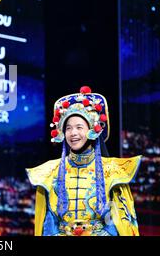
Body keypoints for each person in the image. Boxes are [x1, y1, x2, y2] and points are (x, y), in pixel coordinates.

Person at [26, 86, 141, 236]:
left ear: (92, 130)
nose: (73, 133)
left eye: (79, 127)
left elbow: (120, 222)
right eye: (68, 128)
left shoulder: (112, 172)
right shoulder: (49, 173)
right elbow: (48, 222)